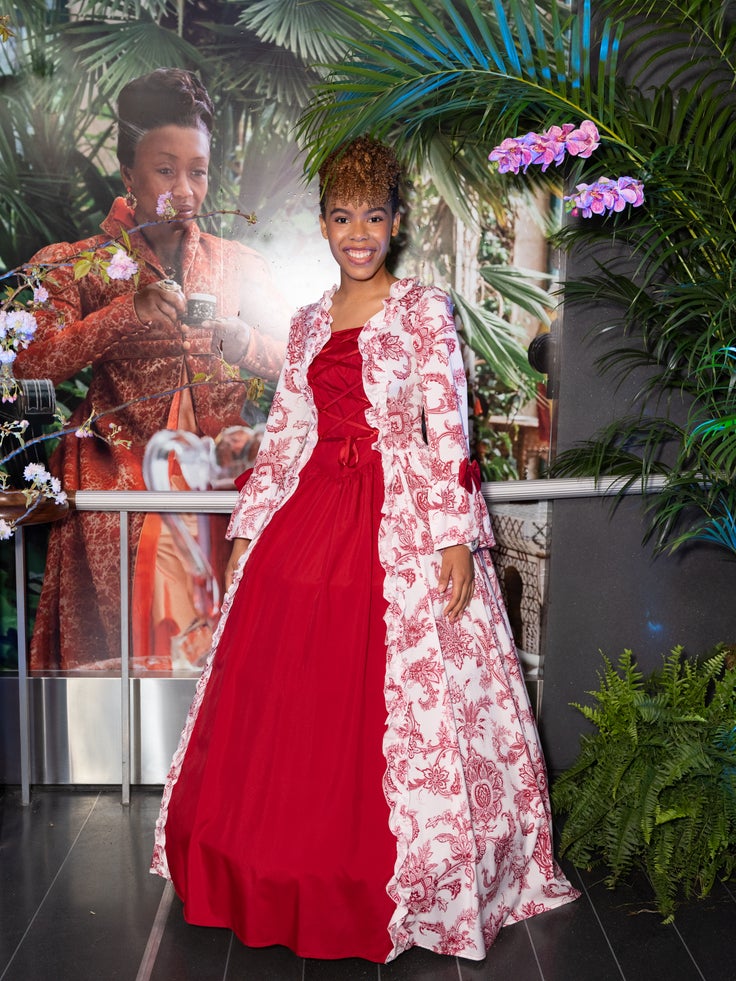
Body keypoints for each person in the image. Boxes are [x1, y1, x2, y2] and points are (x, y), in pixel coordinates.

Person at [151, 136, 578, 963]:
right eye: (342, 216)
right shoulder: (309, 321)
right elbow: (288, 434)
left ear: (394, 222)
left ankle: (418, 875)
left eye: (372, 217)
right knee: (293, 697)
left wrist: (455, 538)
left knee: (400, 698)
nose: (357, 233)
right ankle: (275, 864)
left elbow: (449, 426)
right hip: (311, 512)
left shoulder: (424, 311)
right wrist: (248, 531)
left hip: (405, 516)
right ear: (322, 222)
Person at [14, 68, 289, 672]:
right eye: (166, 170)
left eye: (199, 171)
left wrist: (244, 343)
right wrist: (122, 314)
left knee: (244, 648)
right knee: (139, 652)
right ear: (128, 174)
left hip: (226, 478)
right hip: (126, 479)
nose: (185, 191)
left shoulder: (240, 265)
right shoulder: (77, 265)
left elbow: (304, 360)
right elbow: (28, 361)